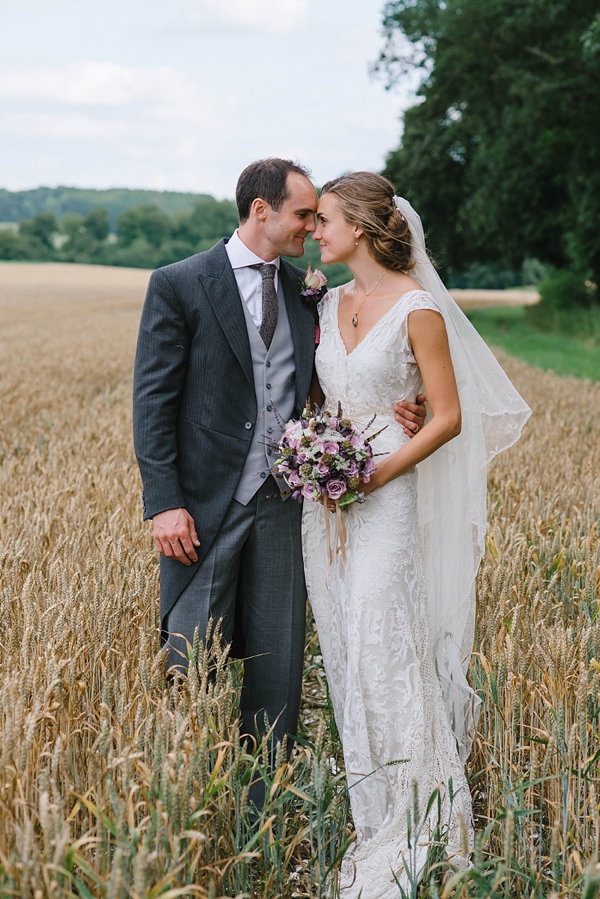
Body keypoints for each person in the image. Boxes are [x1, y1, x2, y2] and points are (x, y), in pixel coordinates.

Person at [132, 159, 427, 780]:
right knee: (191, 654)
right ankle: (185, 790)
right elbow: (153, 402)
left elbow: (340, 382)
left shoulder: (309, 291)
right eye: (303, 214)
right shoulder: (180, 284)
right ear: (260, 210)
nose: (311, 227)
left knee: (278, 665)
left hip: (287, 502)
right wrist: (163, 503)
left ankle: (264, 801)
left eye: (319, 216)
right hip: (205, 505)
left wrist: (408, 404)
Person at [301, 172, 531, 896]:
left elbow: (448, 414)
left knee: (383, 649)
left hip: (383, 497)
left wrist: (377, 469)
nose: (315, 230)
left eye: (327, 219)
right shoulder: (329, 300)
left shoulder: (418, 308)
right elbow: (324, 393)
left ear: (363, 229)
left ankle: (425, 821)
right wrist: (315, 452)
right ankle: (376, 817)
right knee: (344, 653)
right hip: (323, 503)